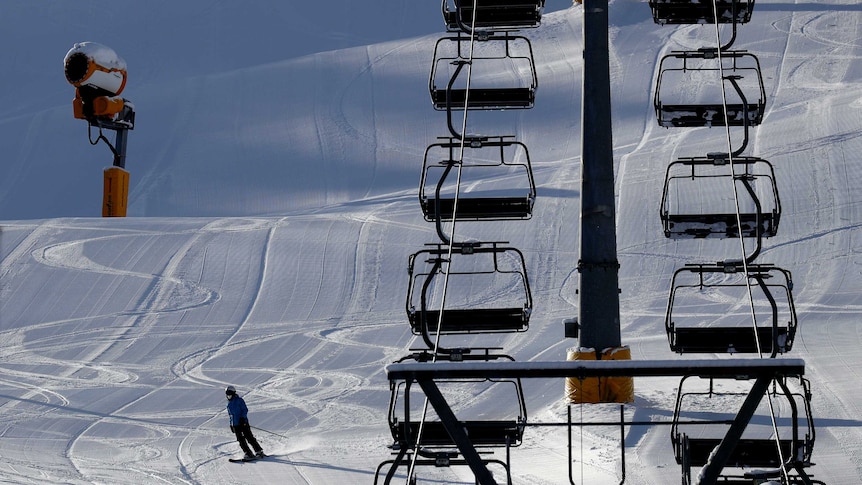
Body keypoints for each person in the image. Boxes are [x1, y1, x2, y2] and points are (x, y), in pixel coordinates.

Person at [225, 385, 265, 460]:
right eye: (227, 393)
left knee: (248, 437)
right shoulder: (228, 404)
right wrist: (231, 424)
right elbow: (231, 415)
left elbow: (245, 409)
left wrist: (243, 418)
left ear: (233, 393)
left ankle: (259, 451)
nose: (228, 395)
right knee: (240, 440)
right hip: (236, 424)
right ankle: (248, 453)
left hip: (243, 422)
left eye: (230, 393)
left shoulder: (239, 400)